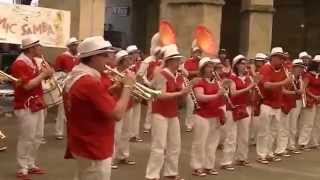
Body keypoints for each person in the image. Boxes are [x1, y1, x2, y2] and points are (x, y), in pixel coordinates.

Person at [63, 36, 135, 180]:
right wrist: (128, 86)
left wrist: (114, 90)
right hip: (94, 145)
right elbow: (118, 114)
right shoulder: (88, 81)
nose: (110, 61)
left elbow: (90, 102)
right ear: (94, 57)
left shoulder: (78, 74)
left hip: (83, 141)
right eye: (106, 56)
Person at [11, 35, 54, 180]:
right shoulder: (20, 64)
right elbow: (27, 85)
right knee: (26, 137)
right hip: (25, 105)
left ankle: (30, 164)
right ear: (31, 48)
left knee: (37, 136)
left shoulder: (34, 61)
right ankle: (22, 168)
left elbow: (37, 80)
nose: (41, 48)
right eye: (38, 46)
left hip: (37, 103)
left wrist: (47, 75)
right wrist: (43, 74)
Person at [145, 44, 190, 180]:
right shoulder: (162, 74)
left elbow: (180, 95)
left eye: (178, 60)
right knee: (159, 145)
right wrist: (180, 93)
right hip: (160, 112)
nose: (179, 63)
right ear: (169, 61)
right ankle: (152, 175)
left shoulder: (179, 76)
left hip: (172, 112)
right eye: (176, 60)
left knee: (175, 145)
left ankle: (171, 173)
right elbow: (160, 95)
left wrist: (185, 93)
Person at [190, 57, 225, 177]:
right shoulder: (199, 81)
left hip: (214, 114)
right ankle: (197, 167)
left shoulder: (217, 82)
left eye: (212, 67)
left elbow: (221, 98)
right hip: (202, 115)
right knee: (200, 142)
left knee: (212, 142)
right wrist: (217, 95)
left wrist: (222, 110)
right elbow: (200, 97)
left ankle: (209, 166)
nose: (211, 69)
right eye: (208, 67)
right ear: (203, 69)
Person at [220, 55, 256, 170]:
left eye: (245, 63)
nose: (245, 66)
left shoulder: (248, 78)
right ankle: (226, 162)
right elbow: (233, 93)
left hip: (246, 107)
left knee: (244, 135)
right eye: (242, 63)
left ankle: (241, 158)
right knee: (231, 135)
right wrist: (249, 87)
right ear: (236, 65)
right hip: (233, 108)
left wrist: (254, 90)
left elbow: (251, 95)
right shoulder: (231, 78)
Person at [256, 47, 289, 164]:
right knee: (264, 131)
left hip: (277, 104)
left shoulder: (282, 69)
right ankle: (261, 155)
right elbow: (267, 85)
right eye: (279, 58)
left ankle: (269, 153)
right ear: (273, 58)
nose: (282, 60)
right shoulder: (266, 68)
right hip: (266, 103)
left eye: (282, 58)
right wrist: (283, 82)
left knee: (274, 131)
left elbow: (283, 87)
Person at [112, 50, 137, 169]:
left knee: (126, 132)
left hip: (129, 104)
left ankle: (123, 156)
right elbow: (110, 90)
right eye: (127, 60)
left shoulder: (130, 73)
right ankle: (111, 159)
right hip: (117, 105)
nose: (129, 62)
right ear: (121, 61)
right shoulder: (112, 73)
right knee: (116, 133)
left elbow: (134, 88)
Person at [53, 37, 80, 140]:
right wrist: (65, 75)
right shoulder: (62, 57)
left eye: (77, 45)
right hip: (64, 84)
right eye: (74, 45)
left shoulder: (78, 57)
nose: (76, 47)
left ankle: (73, 131)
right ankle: (59, 131)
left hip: (75, 84)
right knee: (62, 109)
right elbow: (56, 72)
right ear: (69, 46)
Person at [279, 59, 305, 155]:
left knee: (293, 125)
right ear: (293, 68)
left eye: (301, 68)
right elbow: (283, 91)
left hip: (296, 102)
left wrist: (300, 91)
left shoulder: (300, 79)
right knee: (284, 126)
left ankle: (291, 145)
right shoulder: (288, 77)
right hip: (286, 102)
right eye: (298, 67)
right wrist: (294, 92)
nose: (300, 69)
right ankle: (281, 148)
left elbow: (302, 90)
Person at [298, 55, 320, 150]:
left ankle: (313, 142)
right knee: (307, 122)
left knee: (317, 123)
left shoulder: (318, 75)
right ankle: (303, 143)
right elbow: (304, 88)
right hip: (310, 100)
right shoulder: (308, 75)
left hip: (318, 100)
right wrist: (313, 96)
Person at [183, 40, 202, 132]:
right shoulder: (188, 61)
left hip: (199, 86)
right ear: (193, 53)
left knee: (197, 106)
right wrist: (196, 72)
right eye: (196, 52)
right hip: (190, 85)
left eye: (199, 52)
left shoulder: (202, 62)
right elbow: (186, 73)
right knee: (190, 105)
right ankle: (188, 124)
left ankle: (194, 123)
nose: (198, 54)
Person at [126, 45, 143, 142]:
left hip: (137, 91)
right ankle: (129, 134)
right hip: (130, 92)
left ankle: (134, 134)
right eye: (136, 52)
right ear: (131, 54)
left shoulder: (138, 64)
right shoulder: (129, 65)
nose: (138, 54)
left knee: (136, 115)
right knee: (130, 115)